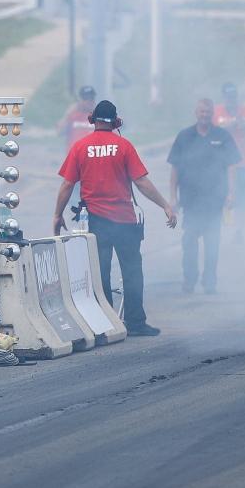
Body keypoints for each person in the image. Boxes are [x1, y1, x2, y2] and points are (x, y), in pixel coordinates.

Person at [52, 100, 176, 337]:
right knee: (132, 271)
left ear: (92, 120)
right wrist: (165, 205)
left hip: (96, 221)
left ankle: (106, 324)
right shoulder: (124, 146)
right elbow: (141, 182)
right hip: (125, 221)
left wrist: (58, 215)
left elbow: (67, 184)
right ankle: (136, 322)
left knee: (100, 273)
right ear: (116, 122)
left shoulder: (80, 147)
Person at [168, 99, 241, 295]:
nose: (204, 115)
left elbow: (232, 166)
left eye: (208, 112)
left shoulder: (222, 136)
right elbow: (174, 168)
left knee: (212, 244)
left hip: (214, 200)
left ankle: (210, 282)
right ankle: (189, 280)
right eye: (201, 111)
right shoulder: (185, 136)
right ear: (196, 112)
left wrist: (232, 193)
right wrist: (173, 198)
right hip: (190, 201)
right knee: (189, 242)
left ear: (212, 114)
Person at [214, 82, 245, 241]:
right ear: (224, 98)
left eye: (234, 97)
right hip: (221, 165)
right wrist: (227, 126)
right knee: (221, 197)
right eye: (228, 98)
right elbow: (209, 133)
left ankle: (239, 230)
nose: (232, 101)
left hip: (243, 164)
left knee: (243, 199)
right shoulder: (217, 112)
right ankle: (220, 227)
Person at [56, 86, 97, 150]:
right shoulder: (73, 115)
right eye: (85, 98)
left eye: (91, 98)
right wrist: (68, 114)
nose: (89, 101)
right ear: (80, 100)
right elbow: (59, 131)